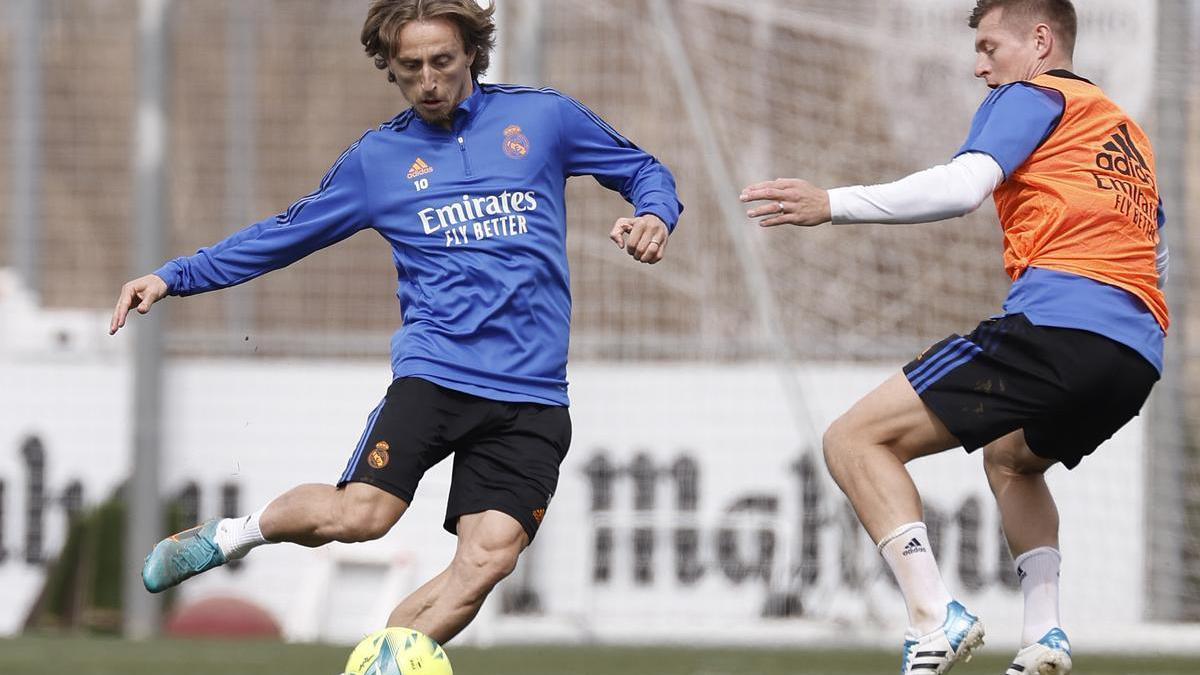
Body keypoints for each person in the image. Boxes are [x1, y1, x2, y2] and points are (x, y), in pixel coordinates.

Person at [109, 0, 682, 645]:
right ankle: (232, 536)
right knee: (361, 517)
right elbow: (284, 235)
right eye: (411, 67)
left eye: (442, 61)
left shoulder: (543, 116)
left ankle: (386, 660)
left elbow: (642, 169)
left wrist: (654, 214)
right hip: (438, 372)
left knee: (487, 560)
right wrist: (173, 276)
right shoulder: (379, 160)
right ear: (391, 68)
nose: (429, 80)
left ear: (471, 53)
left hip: (533, 393)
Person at [740, 1, 1165, 673]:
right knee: (1011, 459)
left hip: (1058, 328)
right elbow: (1155, 253)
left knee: (853, 440)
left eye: (991, 47)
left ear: (1042, 40)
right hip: (1136, 356)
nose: (980, 66)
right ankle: (1046, 634)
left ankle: (934, 617)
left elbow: (964, 186)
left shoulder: (1032, 94)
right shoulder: (1124, 135)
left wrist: (834, 204)